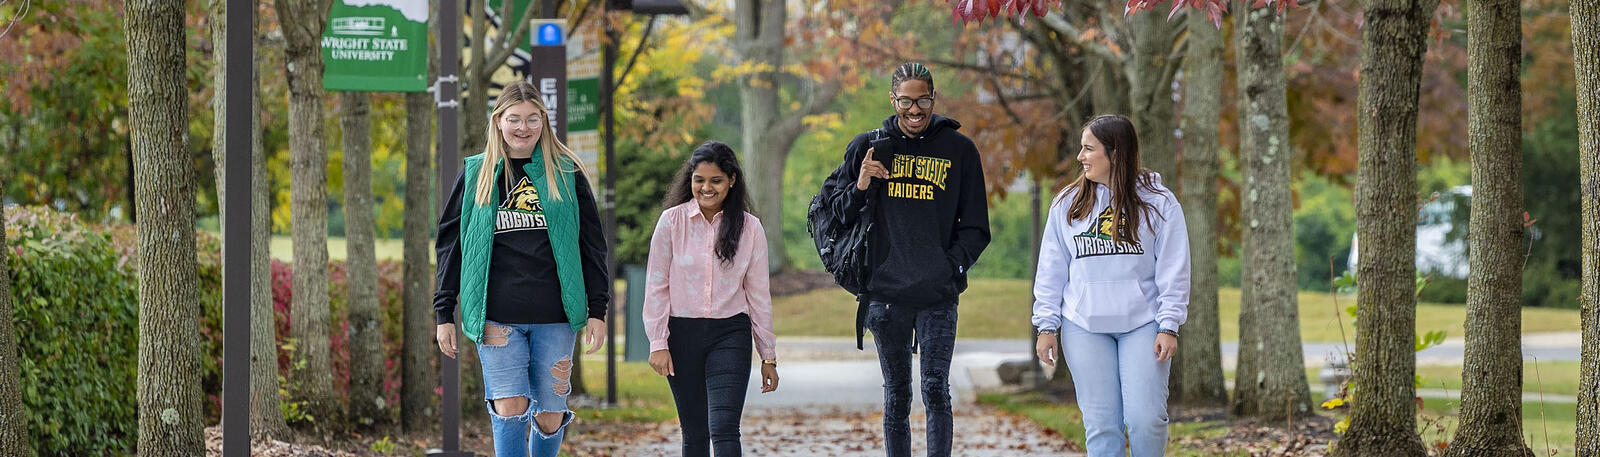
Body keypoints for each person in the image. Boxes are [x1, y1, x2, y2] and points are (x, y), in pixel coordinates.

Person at [817, 62, 990, 457]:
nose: (915, 110)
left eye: (923, 100)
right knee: (896, 395)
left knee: (935, 389)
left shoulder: (959, 150)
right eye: (906, 101)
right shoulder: (869, 146)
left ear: (934, 98)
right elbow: (835, 216)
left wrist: (950, 268)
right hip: (885, 295)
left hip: (938, 295)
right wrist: (861, 184)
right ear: (893, 100)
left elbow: (976, 226)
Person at [432, 80, 610, 457]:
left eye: (532, 119)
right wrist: (443, 311)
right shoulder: (476, 174)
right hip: (497, 316)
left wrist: (598, 310)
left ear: (544, 121)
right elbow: (451, 244)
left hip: (556, 315)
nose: (523, 128)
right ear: (498, 121)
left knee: (549, 415)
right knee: (508, 407)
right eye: (514, 119)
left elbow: (592, 245)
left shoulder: (567, 173)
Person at [1031, 114, 1190, 457]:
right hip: (1083, 325)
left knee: (1146, 419)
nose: (1080, 157)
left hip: (1144, 324)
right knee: (1102, 425)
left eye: (1089, 149)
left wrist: (1169, 325)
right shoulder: (1067, 204)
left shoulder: (1159, 203)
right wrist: (1046, 325)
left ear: (1115, 154)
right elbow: (1051, 271)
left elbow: (1174, 271)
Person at [643, 141, 780, 457]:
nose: (706, 188)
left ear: (732, 179)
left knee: (724, 428)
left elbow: (758, 294)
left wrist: (768, 355)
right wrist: (658, 343)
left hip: (729, 334)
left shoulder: (750, 228)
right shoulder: (671, 222)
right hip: (681, 335)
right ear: (690, 179)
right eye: (699, 180)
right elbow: (656, 287)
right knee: (694, 431)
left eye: (715, 180)